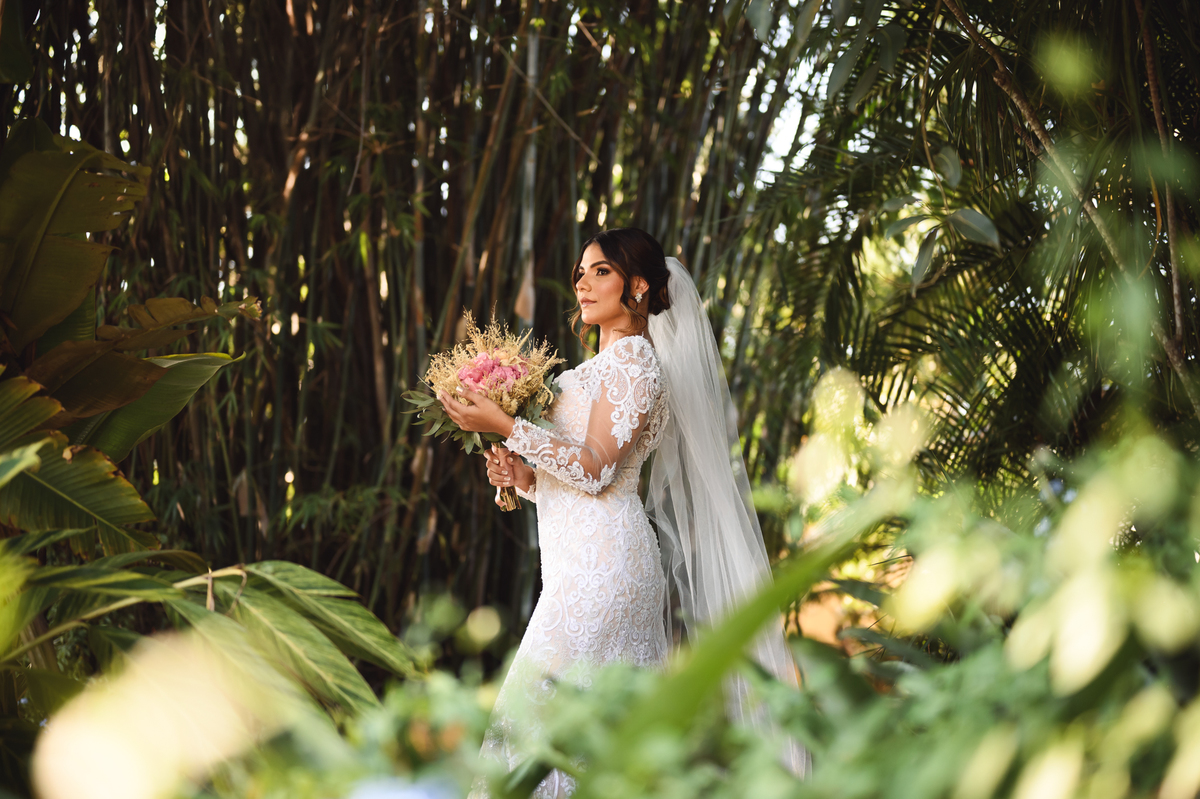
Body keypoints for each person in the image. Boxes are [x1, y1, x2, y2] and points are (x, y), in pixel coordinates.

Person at [437, 228, 809, 798]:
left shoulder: (635, 362)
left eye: (600, 271)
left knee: (535, 720)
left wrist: (509, 426)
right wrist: (525, 477)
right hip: (578, 566)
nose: (582, 283)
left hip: (606, 570)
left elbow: (596, 470)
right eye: (581, 272)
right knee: (575, 733)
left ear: (637, 286)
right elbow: (575, 479)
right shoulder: (594, 369)